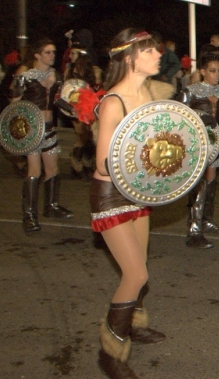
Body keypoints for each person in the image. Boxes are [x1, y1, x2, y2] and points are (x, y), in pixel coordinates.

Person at [90, 29, 167, 378]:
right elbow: (103, 162)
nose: (158, 55)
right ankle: (111, 353)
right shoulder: (113, 102)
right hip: (112, 195)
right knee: (137, 273)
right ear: (130, 58)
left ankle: (133, 323)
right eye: (150, 51)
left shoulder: (149, 95)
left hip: (138, 193)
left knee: (139, 265)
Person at [11, 39, 73, 233]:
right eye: (47, 52)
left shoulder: (56, 74)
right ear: (37, 55)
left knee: (53, 168)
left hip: (50, 127)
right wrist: (19, 130)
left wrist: (76, 111)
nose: (52, 55)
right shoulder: (25, 75)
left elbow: (59, 100)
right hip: (31, 129)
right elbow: (14, 103)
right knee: (34, 171)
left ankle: (51, 207)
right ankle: (29, 215)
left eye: (53, 52)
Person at [177, 49, 219, 248]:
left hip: (214, 143)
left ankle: (206, 220)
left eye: (218, 71)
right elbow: (179, 118)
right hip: (196, 143)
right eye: (212, 70)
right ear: (202, 71)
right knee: (198, 184)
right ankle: (193, 230)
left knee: (211, 180)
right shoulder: (189, 92)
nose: (216, 74)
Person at [63, 42, 103, 179]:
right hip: (75, 109)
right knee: (81, 137)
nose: (70, 56)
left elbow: (98, 92)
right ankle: (76, 166)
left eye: (73, 53)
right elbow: (65, 92)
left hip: (90, 108)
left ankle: (86, 164)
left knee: (90, 137)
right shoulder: (69, 71)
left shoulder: (95, 71)